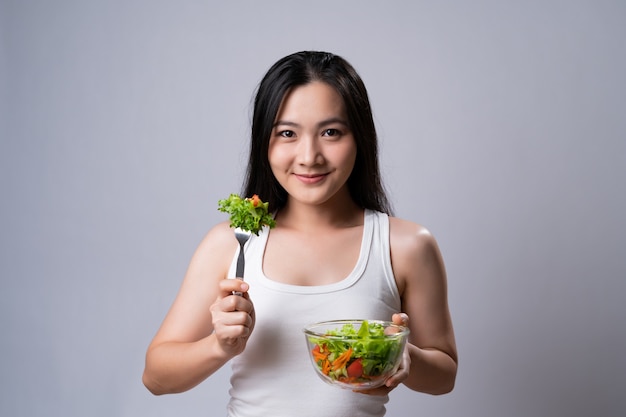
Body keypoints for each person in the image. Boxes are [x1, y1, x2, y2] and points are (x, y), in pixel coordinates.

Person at [142, 51, 457, 416]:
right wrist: (219, 346)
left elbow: (445, 374)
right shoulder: (232, 241)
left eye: (331, 132)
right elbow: (155, 376)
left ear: (360, 138)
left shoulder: (405, 246)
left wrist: (404, 356)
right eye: (287, 133)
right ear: (265, 143)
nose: (309, 156)